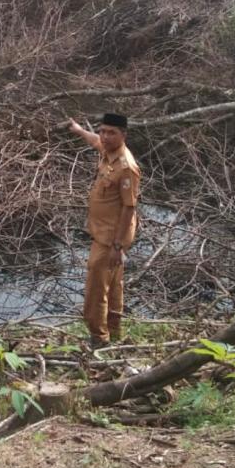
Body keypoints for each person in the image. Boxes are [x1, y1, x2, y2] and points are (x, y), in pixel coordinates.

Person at [68, 113, 141, 348]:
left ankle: (99, 339)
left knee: (96, 289)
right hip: (103, 234)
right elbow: (95, 141)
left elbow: (129, 207)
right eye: (103, 131)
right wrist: (79, 129)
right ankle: (114, 330)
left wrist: (117, 246)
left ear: (124, 135)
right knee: (114, 282)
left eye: (112, 133)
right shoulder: (108, 152)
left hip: (111, 238)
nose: (105, 137)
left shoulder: (126, 167)